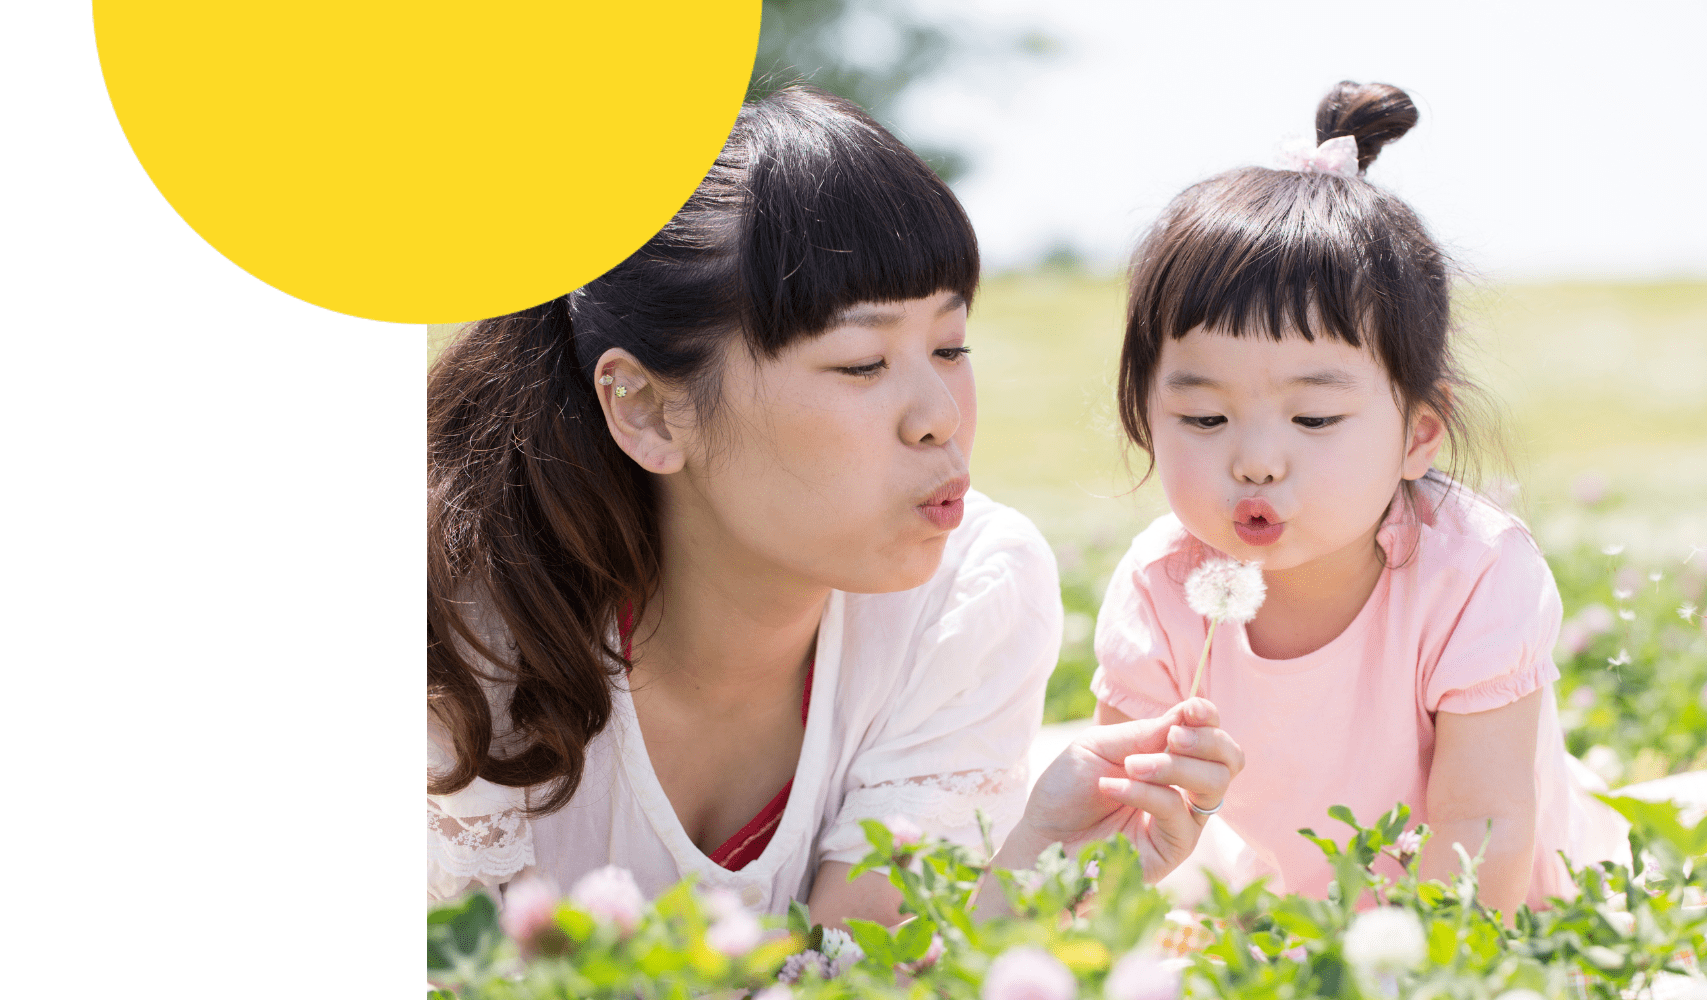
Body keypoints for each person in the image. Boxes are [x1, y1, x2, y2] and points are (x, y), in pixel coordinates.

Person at [427, 85, 1244, 928]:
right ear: (645, 408)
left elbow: (852, 972)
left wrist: (1030, 868)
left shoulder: (970, 594)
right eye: (862, 363)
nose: (941, 417)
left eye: (949, 346)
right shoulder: (453, 633)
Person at [1089, 82, 1627, 910]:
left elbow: (1481, 828)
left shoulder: (1474, 572)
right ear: (1143, 416)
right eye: (1203, 415)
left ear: (1418, 433)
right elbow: (1112, 828)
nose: (1258, 461)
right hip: (1307, 917)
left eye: (1314, 416)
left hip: (1522, 912)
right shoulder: (1159, 589)